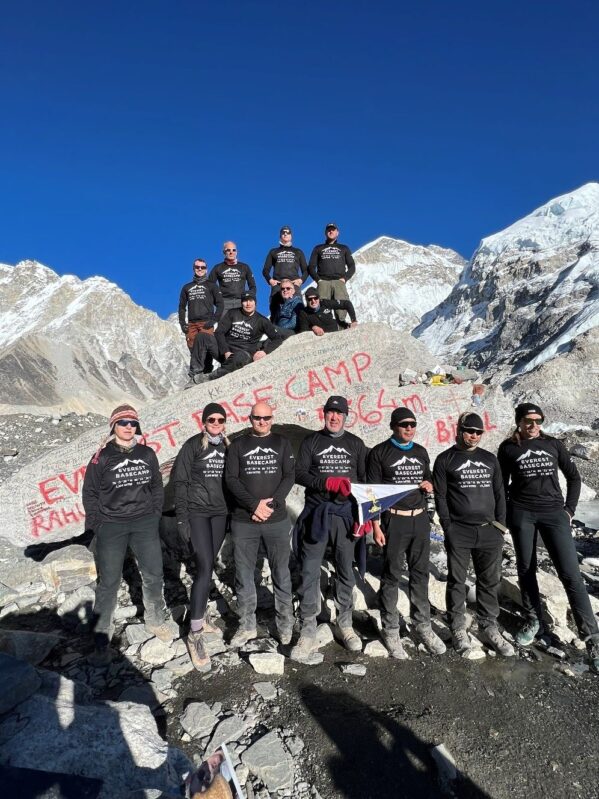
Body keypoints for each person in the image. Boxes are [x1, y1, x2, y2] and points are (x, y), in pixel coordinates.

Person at [497, 403, 599, 671]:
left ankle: (592, 638)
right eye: (528, 421)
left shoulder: (553, 445)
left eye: (538, 420)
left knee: (570, 574)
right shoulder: (508, 448)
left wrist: (569, 510)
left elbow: (574, 477)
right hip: (523, 515)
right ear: (519, 421)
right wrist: (507, 515)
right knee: (526, 568)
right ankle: (533, 620)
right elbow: (501, 485)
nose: (533, 425)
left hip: (554, 514)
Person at [82, 404, 172, 665]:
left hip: (144, 523)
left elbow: (156, 485)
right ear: (113, 426)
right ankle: (101, 637)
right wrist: (96, 526)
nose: (128, 427)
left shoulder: (147, 453)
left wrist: (155, 513)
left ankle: (155, 620)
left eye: (132, 423)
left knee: (153, 574)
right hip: (112, 525)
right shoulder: (101, 457)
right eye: (123, 423)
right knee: (109, 582)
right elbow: (90, 493)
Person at [291, 395, 369, 658]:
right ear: (323, 414)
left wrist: (365, 516)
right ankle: (308, 628)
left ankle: (345, 623)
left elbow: (364, 482)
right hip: (317, 514)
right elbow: (299, 473)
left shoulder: (356, 444)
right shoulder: (311, 441)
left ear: (347, 416)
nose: (334, 417)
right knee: (310, 570)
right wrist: (326, 484)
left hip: (347, 516)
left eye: (339, 413)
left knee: (346, 570)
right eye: (330, 413)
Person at [433, 411, 514, 657]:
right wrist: (448, 526)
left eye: (479, 432)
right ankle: (458, 626)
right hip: (460, 531)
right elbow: (441, 496)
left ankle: (489, 626)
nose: (474, 436)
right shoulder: (445, 459)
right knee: (457, 580)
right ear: (459, 430)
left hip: (490, 531)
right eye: (470, 431)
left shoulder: (489, 459)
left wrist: (501, 526)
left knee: (489, 580)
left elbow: (500, 493)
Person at [368, 408, 446, 658]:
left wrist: (429, 484)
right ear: (393, 426)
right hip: (394, 521)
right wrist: (376, 525)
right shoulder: (379, 453)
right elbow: (373, 492)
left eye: (413, 424)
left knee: (420, 573)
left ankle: (422, 625)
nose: (409, 428)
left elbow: (428, 478)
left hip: (420, 519)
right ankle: (390, 629)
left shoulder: (421, 451)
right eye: (404, 424)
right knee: (391, 574)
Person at [225, 402, 296, 647]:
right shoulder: (237, 446)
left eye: (266, 418)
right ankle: (247, 626)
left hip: (276, 520)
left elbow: (289, 476)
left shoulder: (281, 443)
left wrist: (271, 505)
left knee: (281, 573)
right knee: (244, 575)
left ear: (272, 418)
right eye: (257, 418)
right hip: (244, 521)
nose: (262, 422)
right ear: (250, 418)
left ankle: (285, 624)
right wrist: (254, 505)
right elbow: (231, 480)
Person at [172, 403, 230, 671]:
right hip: (196, 513)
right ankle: (194, 633)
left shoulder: (227, 447)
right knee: (205, 568)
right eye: (211, 419)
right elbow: (180, 481)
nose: (216, 423)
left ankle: (201, 615)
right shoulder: (193, 445)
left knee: (205, 569)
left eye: (220, 419)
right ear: (203, 421)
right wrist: (182, 519)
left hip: (219, 514)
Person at [191, 292, 284, 384]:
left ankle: (210, 377)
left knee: (240, 356)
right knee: (202, 336)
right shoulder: (233, 313)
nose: (248, 304)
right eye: (245, 301)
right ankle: (194, 376)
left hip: (243, 356)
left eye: (251, 300)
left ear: (255, 303)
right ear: (241, 303)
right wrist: (226, 351)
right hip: (225, 353)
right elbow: (219, 332)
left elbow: (278, 339)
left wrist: (265, 351)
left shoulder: (262, 321)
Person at [179, 259, 224, 386]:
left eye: (202, 267)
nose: (200, 269)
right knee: (193, 350)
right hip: (192, 324)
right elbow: (182, 307)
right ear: (193, 268)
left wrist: (214, 320)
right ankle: (198, 375)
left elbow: (220, 304)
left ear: (206, 269)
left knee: (206, 348)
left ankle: (203, 373)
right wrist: (182, 323)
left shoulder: (211, 285)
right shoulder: (186, 287)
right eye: (197, 267)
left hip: (206, 322)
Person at [308, 223, 355, 322]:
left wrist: (344, 279)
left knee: (341, 310)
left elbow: (352, 266)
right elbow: (311, 267)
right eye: (328, 230)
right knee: (322, 309)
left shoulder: (344, 248)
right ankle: (324, 331)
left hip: (339, 281)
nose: (331, 231)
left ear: (337, 232)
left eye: (333, 230)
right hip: (323, 282)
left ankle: (341, 329)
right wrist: (318, 280)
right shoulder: (318, 248)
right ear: (325, 233)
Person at [262, 225, 308, 317]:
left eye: (288, 233)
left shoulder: (298, 251)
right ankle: (275, 329)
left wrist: (301, 280)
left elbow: (306, 270)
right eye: (283, 233)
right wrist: (270, 280)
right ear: (280, 236)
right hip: (278, 285)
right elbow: (265, 270)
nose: (285, 234)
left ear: (291, 236)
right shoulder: (273, 251)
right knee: (275, 310)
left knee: (298, 309)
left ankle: (299, 329)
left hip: (294, 285)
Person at [208, 241, 256, 312]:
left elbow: (253, 287)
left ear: (236, 252)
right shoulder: (217, 268)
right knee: (223, 323)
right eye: (228, 250)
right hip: (224, 303)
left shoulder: (245, 267)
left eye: (234, 250)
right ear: (224, 252)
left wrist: (248, 299)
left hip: (241, 302)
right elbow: (209, 287)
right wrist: (218, 302)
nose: (231, 252)